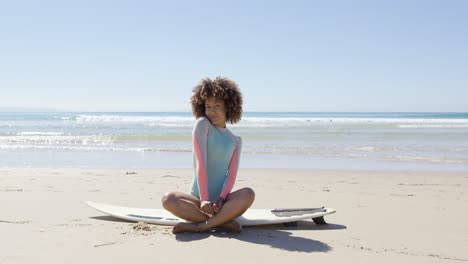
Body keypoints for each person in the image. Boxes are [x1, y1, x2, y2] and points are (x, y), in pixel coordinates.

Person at [161, 77, 255, 234]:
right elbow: (201, 164)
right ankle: (222, 222)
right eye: (208, 106)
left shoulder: (235, 140)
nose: (211, 111)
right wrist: (204, 198)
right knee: (167, 199)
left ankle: (202, 225)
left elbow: (231, 176)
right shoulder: (202, 125)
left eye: (217, 105)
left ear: (229, 107)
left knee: (248, 194)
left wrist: (222, 198)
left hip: (222, 203)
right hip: (197, 201)